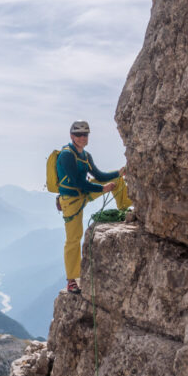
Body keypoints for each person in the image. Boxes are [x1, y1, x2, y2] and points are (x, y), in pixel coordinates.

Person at [57, 120, 131, 295]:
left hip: (83, 194)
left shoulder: (85, 156)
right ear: (71, 136)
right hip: (71, 200)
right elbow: (78, 182)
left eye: (85, 134)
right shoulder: (67, 155)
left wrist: (118, 174)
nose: (82, 137)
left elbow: (97, 175)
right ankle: (72, 281)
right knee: (73, 238)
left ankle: (126, 210)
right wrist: (102, 189)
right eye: (78, 134)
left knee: (117, 181)